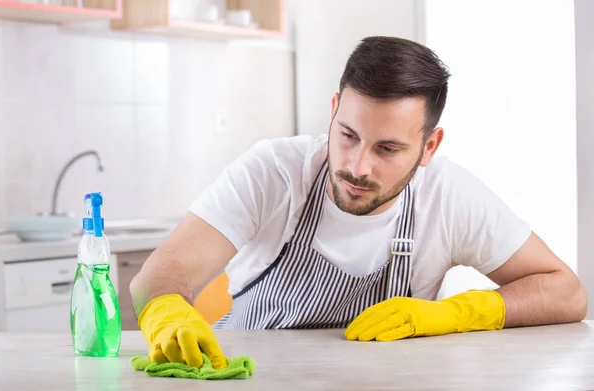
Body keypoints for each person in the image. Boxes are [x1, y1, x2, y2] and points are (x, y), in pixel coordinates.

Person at [130, 36, 588, 369]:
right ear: (333, 109)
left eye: (388, 149)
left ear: (429, 147)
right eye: (347, 135)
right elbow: (163, 269)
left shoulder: (449, 195)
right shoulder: (275, 170)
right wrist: (166, 309)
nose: (358, 166)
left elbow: (566, 291)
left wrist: (458, 312)